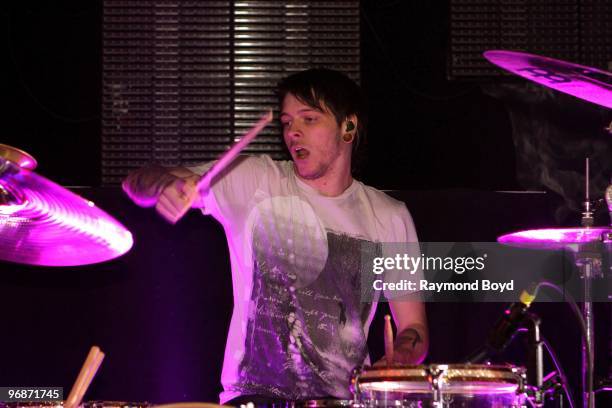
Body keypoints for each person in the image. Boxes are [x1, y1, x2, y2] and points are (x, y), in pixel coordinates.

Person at [122, 68, 428, 404]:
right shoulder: (255, 180)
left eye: (308, 119)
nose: (293, 131)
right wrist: (164, 186)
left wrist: (400, 357)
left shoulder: (388, 216)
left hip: (344, 400)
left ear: (348, 126)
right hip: (253, 397)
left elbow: (414, 328)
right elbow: (142, 179)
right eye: (286, 122)